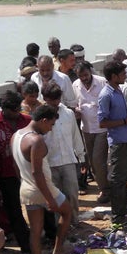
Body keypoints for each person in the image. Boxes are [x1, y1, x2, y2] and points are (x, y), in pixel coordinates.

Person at [12, 104, 72, 254]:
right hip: (43, 188)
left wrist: (25, 183)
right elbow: (37, 172)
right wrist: (50, 199)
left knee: (36, 232)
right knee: (67, 212)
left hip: (26, 188)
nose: (51, 129)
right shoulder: (36, 140)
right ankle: (58, 249)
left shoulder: (16, 136)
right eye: (51, 125)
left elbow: (17, 167)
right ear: (44, 120)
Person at [41, 82, 85, 226]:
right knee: (55, 197)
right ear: (45, 98)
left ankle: (73, 221)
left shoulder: (68, 114)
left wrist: (81, 156)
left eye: (57, 99)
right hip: (49, 163)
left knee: (72, 194)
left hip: (68, 160)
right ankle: (58, 226)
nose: (55, 103)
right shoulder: (40, 117)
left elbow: (75, 135)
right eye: (52, 99)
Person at [98, 61, 127, 224]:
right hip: (117, 142)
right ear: (113, 76)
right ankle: (117, 214)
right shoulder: (106, 95)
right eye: (122, 74)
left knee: (123, 176)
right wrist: (125, 121)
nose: (124, 76)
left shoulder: (118, 90)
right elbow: (102, 122)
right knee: (117, 178)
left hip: (126, 139)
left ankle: (123, 207)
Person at [0, 91, 32, 254]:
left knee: (36, 204)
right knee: (14, 211)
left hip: (28, 171)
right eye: (14, 109)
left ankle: (45, 236)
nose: (18, 112)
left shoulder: (27, 121)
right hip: (6, 174)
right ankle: (25, 245)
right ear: (4, 109)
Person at [73, 61, 111, 204]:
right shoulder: (75, 85)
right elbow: (75, 103)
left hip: (102, 128)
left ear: (90, 72)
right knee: (92, 162)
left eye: (85, 75)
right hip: (86, 129)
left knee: (98, 159)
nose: (84, 78)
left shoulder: (101, 82)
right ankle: (104, 186)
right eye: (81, 76)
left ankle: (105, 190)